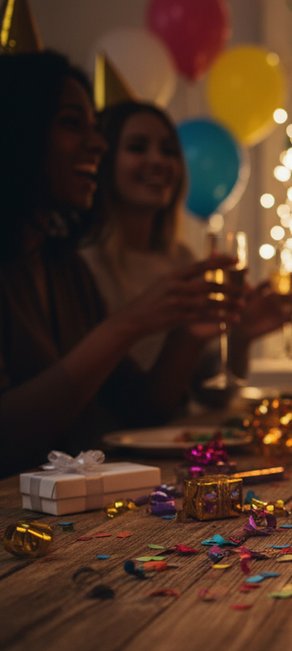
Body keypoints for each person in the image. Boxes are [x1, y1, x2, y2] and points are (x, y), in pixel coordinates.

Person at [0, 53, 239, 478]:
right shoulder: (76, 264)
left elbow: (142, 408)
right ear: (17, 131)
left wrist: (188, 332)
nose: (98, 144)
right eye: (72, 123)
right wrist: (127, 324)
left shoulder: (62, 267)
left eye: (95, 128)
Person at [79, 101, 292, 391]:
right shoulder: (84, 264)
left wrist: (242, 335)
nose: (158, 161)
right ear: (103, 159)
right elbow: (122, 400)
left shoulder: (181, 258)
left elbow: (206, 395)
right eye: (137, 147)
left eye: (169, 150)